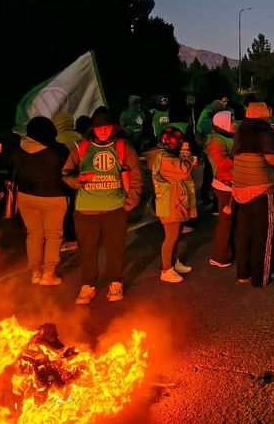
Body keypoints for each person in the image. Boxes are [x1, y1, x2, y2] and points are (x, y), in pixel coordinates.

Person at [62, 106, 142, 304]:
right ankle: (87, 285)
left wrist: (131, 201)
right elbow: (66, 174)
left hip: (115, 208)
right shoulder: (81, 148)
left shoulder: (124, 147)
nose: (103, 131)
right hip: (85, 210)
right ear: (93, 129)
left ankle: (116, 282)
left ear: (113, 127)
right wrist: (78, 181)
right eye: (99, 128)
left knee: (115, 248)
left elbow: (136, 177)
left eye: (106, 127)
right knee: (88, 249)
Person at [232, 102, 274, 287]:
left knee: (243, 231)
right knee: (263, 234)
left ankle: (242, 273)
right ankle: (260, 277)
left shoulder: (241, 129)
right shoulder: (265, 131)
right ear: (264, 114)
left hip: (239, 187)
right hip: (261, 187)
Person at [14, 117, 70, 285]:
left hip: (26, 197)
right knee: (53, 236)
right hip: (54, 197)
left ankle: (35, 272)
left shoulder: (19, 148)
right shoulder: (58, 150)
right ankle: (48, 274)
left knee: (34, 234)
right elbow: (68, 172)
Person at [152, 123, 197, 283]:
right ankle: (166, 269)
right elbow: (184, 170)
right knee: (171, 236)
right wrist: (186, 153)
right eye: (179, 141)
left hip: (175, 200)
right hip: (169, 202)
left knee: (176, 234)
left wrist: (187, 160)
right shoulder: (164, 158)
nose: (182, 144)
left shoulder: (168, 156)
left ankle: (173, 262)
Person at [206, 111, 235, 268]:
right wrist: (243, 160)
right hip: (224, 185)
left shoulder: (227, 137)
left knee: (230, 221)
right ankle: (220, 256)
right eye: (232, 121)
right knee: (225, 222)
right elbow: (222, 163)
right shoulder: (215, 141)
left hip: (231, 183)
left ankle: (228, 251)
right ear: (222, 123)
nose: (234, 124)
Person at [52, 111, 83, 252]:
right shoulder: (80, 138)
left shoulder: (57, 140)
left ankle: (71, 239)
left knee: (66, 211)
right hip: (81, 177)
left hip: (65, 179)